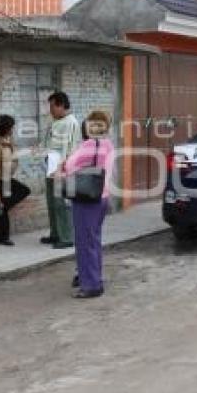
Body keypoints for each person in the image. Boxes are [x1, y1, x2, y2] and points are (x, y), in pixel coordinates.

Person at [61, 111, 115, 299]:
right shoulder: (108, 144)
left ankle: (91, 285)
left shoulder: (88, 145)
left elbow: (69, 166)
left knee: (85, 242)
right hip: (102, 197)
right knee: (94, 241)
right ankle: (93, 277)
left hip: (86, 198)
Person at [42, 92, 82, 249]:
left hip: (61, 169)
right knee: (51, 202)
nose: (50, 110)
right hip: (51, 166)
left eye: (52, 106)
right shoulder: (55, 122)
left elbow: (70, 148)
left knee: (61, 204)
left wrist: (64, 169)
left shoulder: (70, 123)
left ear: (60, 105)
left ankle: (66, 237)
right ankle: (55, 233)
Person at [0, 115, 30, 246]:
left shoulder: (6, 140)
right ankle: (3, 238)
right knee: (2, 206)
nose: (12, 130)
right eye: (11, 127)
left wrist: (10, 145)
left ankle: (2, 207)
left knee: (22, 192)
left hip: (6, 179)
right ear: (4, 128)